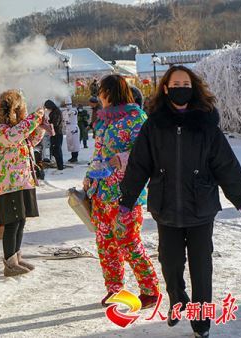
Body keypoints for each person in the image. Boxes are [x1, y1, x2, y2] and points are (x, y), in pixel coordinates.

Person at [120, 65, 241, 338]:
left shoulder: (206, 124)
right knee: (170, 262)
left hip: (201, 206)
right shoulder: (154, 124)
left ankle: (201, 323)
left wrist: (239, 196)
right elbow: (139, 164)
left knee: (201, 265)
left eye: (186, 83)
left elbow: (224, 163)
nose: (181, 88)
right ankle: (178, 298)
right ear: (166, 88)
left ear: (193, 88)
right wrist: (127, 198)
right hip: (166, 206)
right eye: (175, 83)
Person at [83, 75, 160, 309]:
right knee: (105, 243)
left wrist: (121, 158)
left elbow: (147, 151)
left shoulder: (137, 117)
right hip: (101, 192)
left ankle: (150, 290)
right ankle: (115, 289)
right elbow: (97, 154)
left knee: (127, 240)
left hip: (126, 192)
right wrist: (89, 175)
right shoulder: (104, 119)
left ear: (113, 92)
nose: (100, 96)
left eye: (102, 91)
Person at [0, 90, 45, 276]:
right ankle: (9, 263)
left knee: (20, 221)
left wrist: (41, 127)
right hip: (8, 184)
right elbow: (15, 136)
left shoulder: (11, 129)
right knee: (12, 224)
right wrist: (35, 118)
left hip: (21, 181)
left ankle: (16, 257)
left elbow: (29, 142)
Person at [45, 100, 65, 170]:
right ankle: (58, 165)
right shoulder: (54, 111)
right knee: (54, 150)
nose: (47, 109)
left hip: (57, 133)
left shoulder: (57, 112)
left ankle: (60, 166)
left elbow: (55, 123)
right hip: (54, 133)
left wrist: (47, 123)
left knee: (57, 150)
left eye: (47, 107)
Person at [62, 96, 81, 163]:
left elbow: (74, 112)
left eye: (69, 104)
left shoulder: (74, 110)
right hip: (68, 128)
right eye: (67, 104)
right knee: (70, 143)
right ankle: (72, 156)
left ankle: (75, 157)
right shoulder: (64, 112)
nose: (68, 106)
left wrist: (71, 112)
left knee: (75, 143)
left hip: (73, 127)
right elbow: (64, 120)